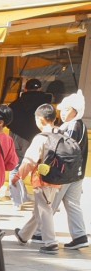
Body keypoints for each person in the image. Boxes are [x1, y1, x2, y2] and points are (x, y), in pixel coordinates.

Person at [12, 103, 66, 254]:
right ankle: (24, 235)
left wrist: (18, 176)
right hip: (58, 178)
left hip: (42, 179)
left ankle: (50, 242)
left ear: (41, 119)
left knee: (44, 209)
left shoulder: (41, 137)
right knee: (41, 208)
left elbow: (29, 160)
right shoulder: (61, 134)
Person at [51, 92, 88, 250]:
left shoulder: (72, 126)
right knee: (73, 204)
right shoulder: (80, 124)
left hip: (66, 173)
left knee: (50, 203)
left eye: (67, 110)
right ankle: (79, 236)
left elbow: (66, 149)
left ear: (76, 110)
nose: (63, 113)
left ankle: (39, 232)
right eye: (63, 110)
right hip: (77, 173)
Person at [8, 79, 51, 209]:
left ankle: (17, 200)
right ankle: (45, 200)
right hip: (39, 138)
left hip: (18, 138)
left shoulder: (15, 104)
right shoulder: (45, 103)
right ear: (40, 89)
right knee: (40, 169)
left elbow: (8, 121)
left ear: (25, 89)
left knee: (16, 167)